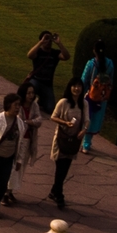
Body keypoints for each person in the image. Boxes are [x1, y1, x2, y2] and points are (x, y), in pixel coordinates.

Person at [47, 79, 87, 211]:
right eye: (74, 86)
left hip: (74, 141)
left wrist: (84, 130)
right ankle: (59, 196)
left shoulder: (84, 104)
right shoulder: (63, 102)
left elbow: (87, 120)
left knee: (65, 168)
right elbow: (53, 117)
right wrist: (65, 123)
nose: (77, 89)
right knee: (60, 168)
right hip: (61, 139)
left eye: (79, 86)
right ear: (70, 88)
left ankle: (54, 190)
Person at [79, 40, 115, 153]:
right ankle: (87, 144)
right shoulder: (110, 64)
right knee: (95, 120)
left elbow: (84, 80)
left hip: (90, 96)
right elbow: (111, 80)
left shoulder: (91, 64)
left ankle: (80, 142)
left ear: (94, 50)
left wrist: (80, 94)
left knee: (85, 117)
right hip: (102, 97)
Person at [26, 31, 66, 110]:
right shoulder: (38, 51)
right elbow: (29, 55)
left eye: (50, 40)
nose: (48, 42)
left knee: (50, 108)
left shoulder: (54, 53)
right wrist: (41, 42)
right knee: (29, 95)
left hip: (47, 84)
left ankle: (41, 101)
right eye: (46, 39)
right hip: (36, 80)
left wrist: (59, 43)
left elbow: (66, 57)